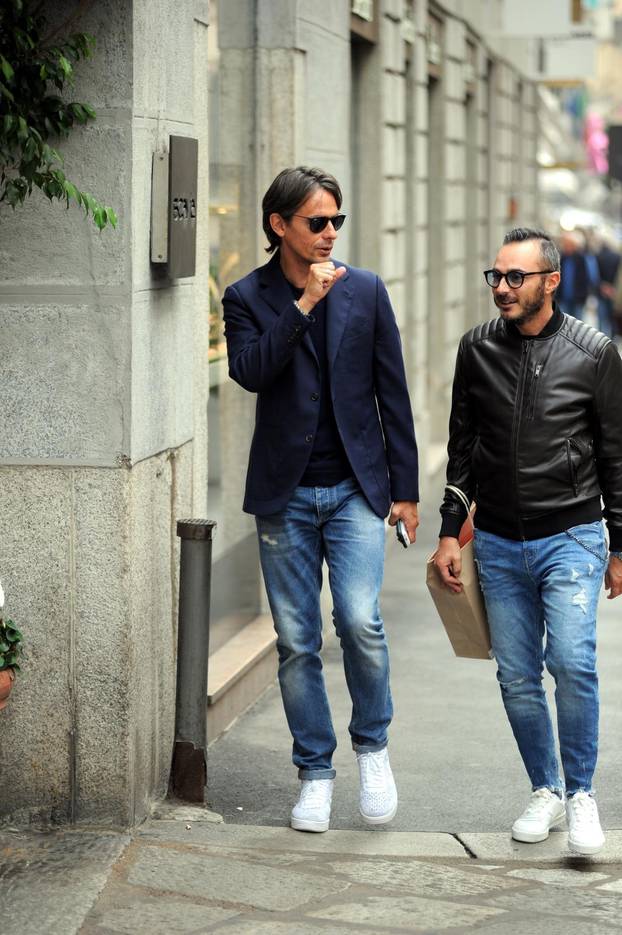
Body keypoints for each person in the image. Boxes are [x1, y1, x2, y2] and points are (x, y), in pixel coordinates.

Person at [223, 166, 419, 833]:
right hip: (285, 496)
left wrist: (407, 490)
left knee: (360, 620)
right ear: (280, 225)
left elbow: (392, 392)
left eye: (337, 220)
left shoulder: (366, 290)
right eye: (317, 222)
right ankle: (314, 770)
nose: (330, 232)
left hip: (357, 490)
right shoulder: (247, 296)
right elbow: (250, 371)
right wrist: (303, 304)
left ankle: (373, 747)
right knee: (297, 639)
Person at [434, 227, 622, 856]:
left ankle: (581, 795)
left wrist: (618, 546)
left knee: (571, 663)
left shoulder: (594, 352)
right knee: (516, 677)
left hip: (571, 534)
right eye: (496, 277)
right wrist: (447, 535)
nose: (503, 289)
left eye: (516, 277)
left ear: (550, 280)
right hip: (497, 543)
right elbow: (461, 451)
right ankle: (544, 788)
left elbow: (616, 456)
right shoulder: (476, 350)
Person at [557, 231, 591, 321]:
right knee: (563, 323)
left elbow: (586, 278)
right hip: (563, 298)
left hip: (578, 298)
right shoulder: (561, 258)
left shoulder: (581, 259)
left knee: (577, 323)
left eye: (569, 244)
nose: (566, 246)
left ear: (574, 245)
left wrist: (584, 295)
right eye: (565, 244)